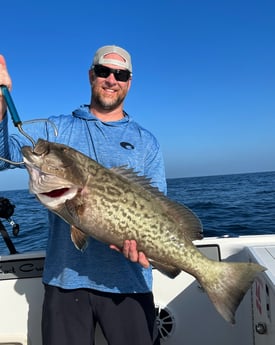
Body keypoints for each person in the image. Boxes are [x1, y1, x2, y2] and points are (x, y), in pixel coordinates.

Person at [0, 45, 167, 345]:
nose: (111, 79)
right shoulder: (58, 130)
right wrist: (0, 101)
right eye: (104, 71)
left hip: (130, 285)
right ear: (91, 75)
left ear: (129, 81)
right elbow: (3, 157)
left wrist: (149, 250)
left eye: (121, 74)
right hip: (65, 283)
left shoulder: (146, 142)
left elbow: (159, 211)